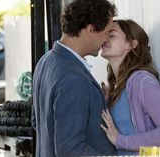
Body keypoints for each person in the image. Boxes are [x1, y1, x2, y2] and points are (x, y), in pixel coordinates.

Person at [31, 0, 117, 156]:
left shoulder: (45, 61)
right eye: (107, 32)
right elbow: (71, 151)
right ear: (91, 29)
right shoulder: (73, 77)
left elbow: (38, 122)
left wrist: (95, 105)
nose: (107, 40)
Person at [100, 19, 160, 155]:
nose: (104, 38)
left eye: (112, 34)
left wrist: (120, 140)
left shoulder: (142, 81)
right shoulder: (115, 86)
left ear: (131, 44)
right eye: (104, 34)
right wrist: (104, 103)